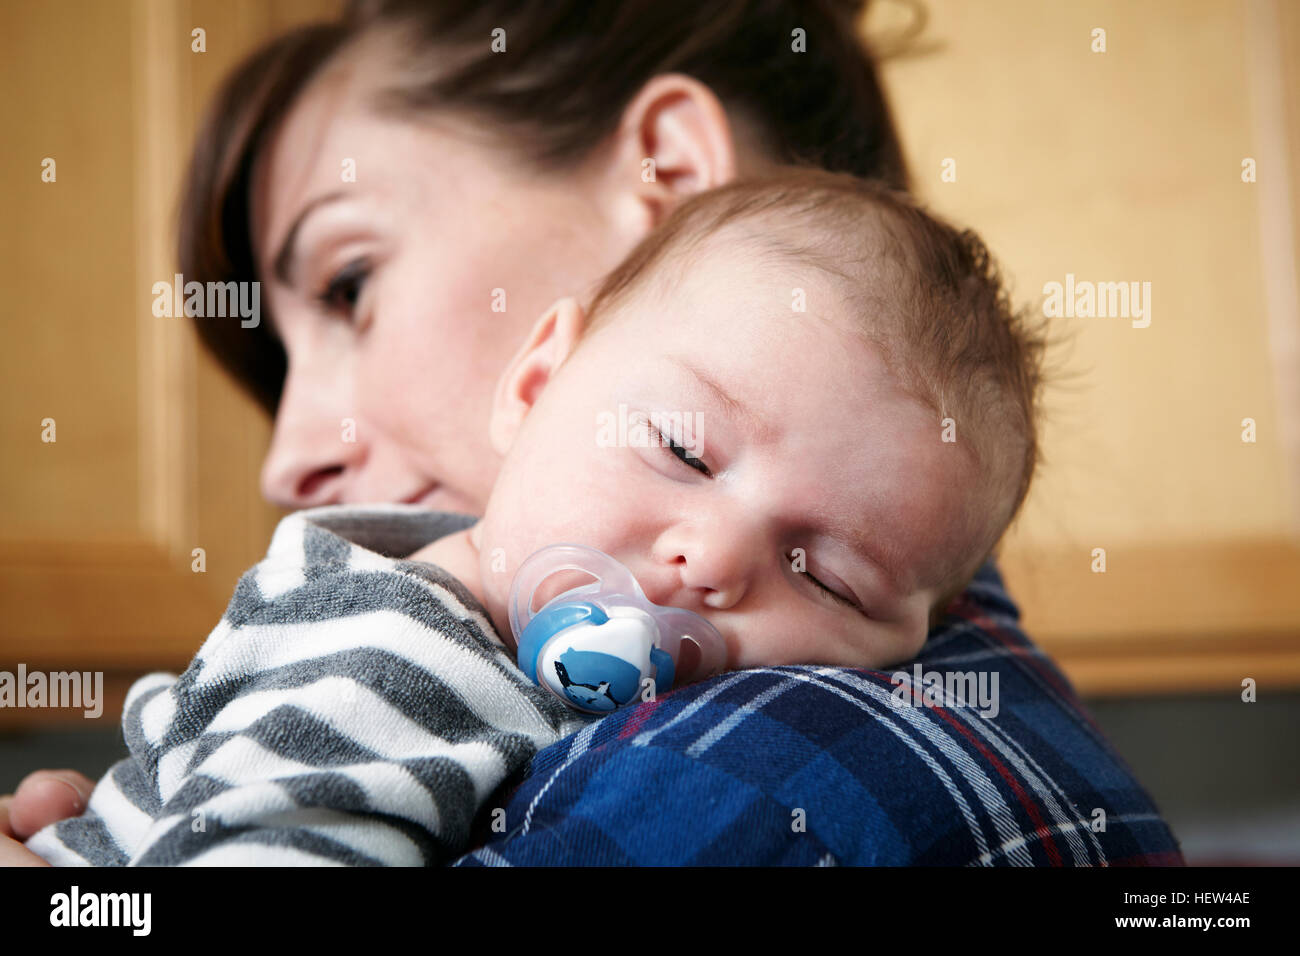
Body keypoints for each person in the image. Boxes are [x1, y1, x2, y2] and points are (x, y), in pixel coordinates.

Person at [1, 0, 1183, 865]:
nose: (285, 458)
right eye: (682, 452)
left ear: (664, 173)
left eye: (351, 282)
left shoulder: (754, 770)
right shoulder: (433, 653)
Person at [28, 171, 1048, 864]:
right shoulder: (399, 656)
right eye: (684, 449)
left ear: (915, 638)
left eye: (828, 576)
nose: (710, 558)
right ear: (535, 381)